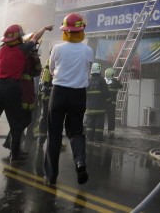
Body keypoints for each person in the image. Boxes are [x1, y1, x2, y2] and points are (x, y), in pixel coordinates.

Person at [0, 23, 53, 165]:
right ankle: (15, 156)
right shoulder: (23, 49)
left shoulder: (2, 51)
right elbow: (35, 38)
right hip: (13, 88)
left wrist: (5, 42)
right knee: (16, 124)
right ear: (19, 38)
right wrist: (45, 29)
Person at [43, 12, 93, 186]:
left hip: (59, 94)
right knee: (76, 132)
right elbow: (88, 69)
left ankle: (51, 177)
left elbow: (51, 69)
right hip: (78, 95)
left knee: (54, 134)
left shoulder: (57, 48)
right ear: (81, 31)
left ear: (65, 31)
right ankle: (80, 163)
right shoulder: (88, 50)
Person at [84, 62, 110, 142]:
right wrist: (109, 102)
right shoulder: (102, 80)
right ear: (99, 70)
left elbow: (84, 94)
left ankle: (89, 138)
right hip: (100, 108)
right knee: (99, 124)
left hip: (89, 108)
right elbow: (106, 93)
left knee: (90, 124)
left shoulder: (88, 80)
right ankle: (98, 138)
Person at [36, 61, 53, 146]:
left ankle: (40, 141)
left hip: (44, 96)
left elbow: (41, 84)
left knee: (44, 117)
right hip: (52, 97)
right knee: (54, 118)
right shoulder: (55, 68)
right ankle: (54, 142)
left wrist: (40, 96)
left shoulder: (45, 69)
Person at [104, 67, 123, 138]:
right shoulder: (115, 81)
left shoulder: (103, 81)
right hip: (112, 104)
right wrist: (119, 80)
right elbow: (121, 86)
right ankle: (111, 133)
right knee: (111, 119)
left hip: (103, 104)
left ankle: (99, 132)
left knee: (101, 118)